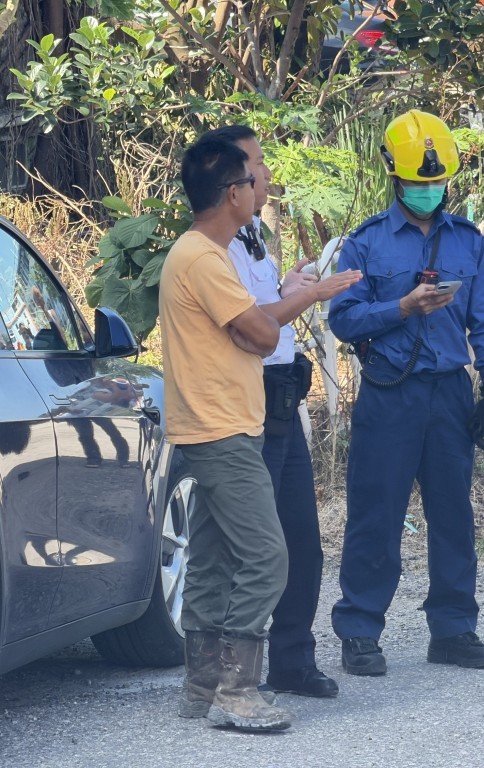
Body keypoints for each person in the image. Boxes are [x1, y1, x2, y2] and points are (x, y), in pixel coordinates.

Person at [328, 110, 484, 677]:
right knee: (375, 514)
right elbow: (344, 319)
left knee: (454, 514)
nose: (429, 191)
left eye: (437, 183)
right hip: (391, 394)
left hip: (450, 393)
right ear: (393, 175)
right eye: (418, 182)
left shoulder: (467, 241)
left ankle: (454, 628)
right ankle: (360, 630)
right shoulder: (365, 244)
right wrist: (401, 307)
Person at [208, 125, 362, 699]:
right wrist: (308, 297)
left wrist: (292, 284)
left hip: (283, 401)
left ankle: (293, 660)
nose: (265, 176)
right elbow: (253, 325)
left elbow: (268, 311)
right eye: (256, 166)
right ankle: (228, 675)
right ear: (231, 182)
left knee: (301, 538)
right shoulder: (214, 248)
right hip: (249, 404)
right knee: (254, 547)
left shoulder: (253, 239)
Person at [159, 135, 292, 731]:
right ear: (233, 193)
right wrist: (259, 325)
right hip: (221, 429)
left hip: (209, 426)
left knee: (211, 559)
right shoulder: (206, 258)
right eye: (253, 177)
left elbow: (251, 331)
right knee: (266, 555)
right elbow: (262, 335)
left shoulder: (197, 253)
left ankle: (200, 687)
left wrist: (252, 327)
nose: (259, 186)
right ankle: (238, 691)